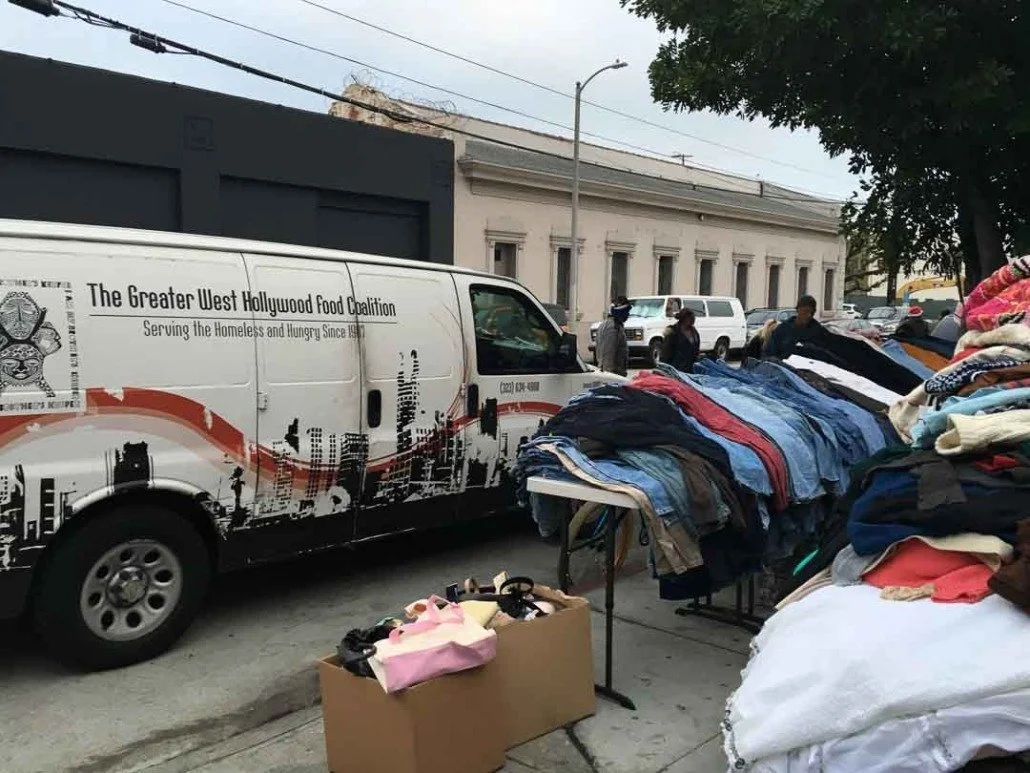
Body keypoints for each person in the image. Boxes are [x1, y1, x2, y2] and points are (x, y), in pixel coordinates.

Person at [762, 295, 828, 358]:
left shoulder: (818, 332)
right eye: (806, 311)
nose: (809, 315)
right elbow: (768, 353)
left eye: (812, 312)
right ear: (798, 310)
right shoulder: (783, 329)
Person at [595, 296, 630, 375]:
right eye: (626, 312)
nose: (628, 315)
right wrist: (609, 377)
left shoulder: (611, 325)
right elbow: (608, 354)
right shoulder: (613, 328)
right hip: (613, 374)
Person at [661, 307, 701, 372]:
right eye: (690, 318)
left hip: (690, 368)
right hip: (677, 368)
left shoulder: (694, 332)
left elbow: (696, 349)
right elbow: (666, 353)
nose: (692, 321)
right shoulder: (673, 332)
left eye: (693, 319)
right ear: (683, 319)